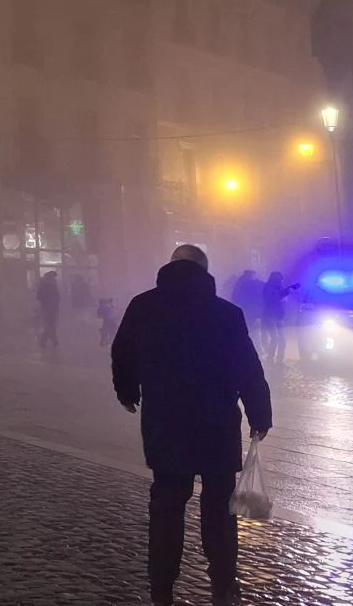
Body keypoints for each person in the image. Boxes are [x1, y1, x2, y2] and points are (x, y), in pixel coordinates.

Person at [112, 244, 271, 606]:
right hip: (216, 423)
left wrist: (127, 391)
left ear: (170, 267)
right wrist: (259, 414)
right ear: (205, 271)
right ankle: (222, 584)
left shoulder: (143, 306)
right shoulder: (226, 313)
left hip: (165, 422)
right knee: (219, 507)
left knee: (167, 504)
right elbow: (247, 366)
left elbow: (122, 352)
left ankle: (162, 588)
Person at [260, 271, 300, 364]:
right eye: (279, 279)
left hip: (279, 316)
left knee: (282, 339)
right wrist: (287, 291)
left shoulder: (278, 287)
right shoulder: (268, 288)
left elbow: (282, 296)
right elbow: (274, 298)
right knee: (275, 338)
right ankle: (270, 358)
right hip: (270, 316)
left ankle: (280, 360)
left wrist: (290, 288)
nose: (281, 281)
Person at [36, 270, 62, 349]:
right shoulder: (46, 286)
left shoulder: (48, 285)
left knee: (51, 323)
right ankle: (45, 340)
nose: (54, 279)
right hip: (49, 307)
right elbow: (40, 296)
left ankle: (53, 339)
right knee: (50, 323)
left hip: (51, 306)